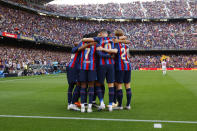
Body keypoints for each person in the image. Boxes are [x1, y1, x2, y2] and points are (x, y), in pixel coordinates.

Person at [113, 29, 132, 110]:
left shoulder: (116, 44)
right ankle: (128, 105)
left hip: (119, 67)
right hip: (127, 66)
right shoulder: (126, 45)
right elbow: (129, 56)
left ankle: (120, 105)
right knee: (127, 85)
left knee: (119, 86)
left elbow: (114, 55)